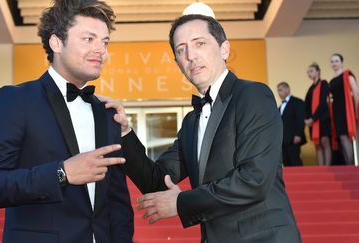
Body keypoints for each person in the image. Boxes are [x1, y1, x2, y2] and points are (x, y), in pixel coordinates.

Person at [104, 14, 300, 243]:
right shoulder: (191, 122)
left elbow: (253, 180)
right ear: (178, 63)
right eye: (181, 50)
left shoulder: (253, 95)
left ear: (224, 49)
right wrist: (125, 132)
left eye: (200, 43)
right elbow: (157, 181)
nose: (191, 56)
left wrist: (180, 203)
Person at [0, 1, 133, 243]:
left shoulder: (107, 113)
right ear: (56, 42)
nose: (101, 50)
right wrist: (61, 173)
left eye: (105, 42)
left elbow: (117, 203)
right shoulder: (15, 100)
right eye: (89, 39)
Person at [329, 53, 358, 165]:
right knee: (342, 138)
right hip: (337, 111)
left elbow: (356, 93)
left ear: (341, 62)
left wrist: (355, 111)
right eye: (332, 61)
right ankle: (348, 164)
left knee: (347, 137)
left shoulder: (347, 75)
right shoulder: (332, 81)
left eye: (336, 61)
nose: (334, 63)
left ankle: (351, 165)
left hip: (347, 110)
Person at [304, 63, 332, 166]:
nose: (309, 73)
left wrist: (313, 118)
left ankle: (327, 166)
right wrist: (306, 119)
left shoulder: (324, 84)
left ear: (318, 71)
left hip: (322, 118)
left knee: (324, 141)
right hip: (312, 121)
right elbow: (306, 105)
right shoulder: (310, 88)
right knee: (317, 144)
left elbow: (322, 103)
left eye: (311, 71)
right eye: (308, 72)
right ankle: (321, 167)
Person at [277, 82, 306, 166]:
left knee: (295, 160)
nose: (279, 93)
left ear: (288, 89)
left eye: (280, 90)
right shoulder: (280, 107)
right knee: (286, 162)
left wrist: (298, 134)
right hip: (283, 140)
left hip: (293, 138)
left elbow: (301, 119)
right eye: (278, 91)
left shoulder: (297, 102)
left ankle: (301, 179)